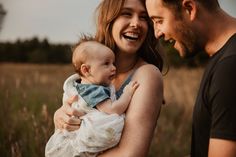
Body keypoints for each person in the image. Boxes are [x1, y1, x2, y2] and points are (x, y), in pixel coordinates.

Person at [53, 0, 164, 156]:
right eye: (126, 13)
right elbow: (74, 110)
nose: (136, 23)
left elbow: (130, 154)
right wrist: (60, 116)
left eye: (144, 17)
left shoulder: (147, 75)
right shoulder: (92, 69)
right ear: (109, 19)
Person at [145, 0, 236, 156]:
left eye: (159, 21)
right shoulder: (223, 58)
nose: (157, 33)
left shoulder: (230, 69)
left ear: (189, 9)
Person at [45, 39, 139, 157]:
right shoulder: (92, 90)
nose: (113, 68)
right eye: (106, 63)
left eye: (113, 63)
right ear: (86, 70)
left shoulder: (82, 86)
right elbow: (112, 109)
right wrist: (128, 93)